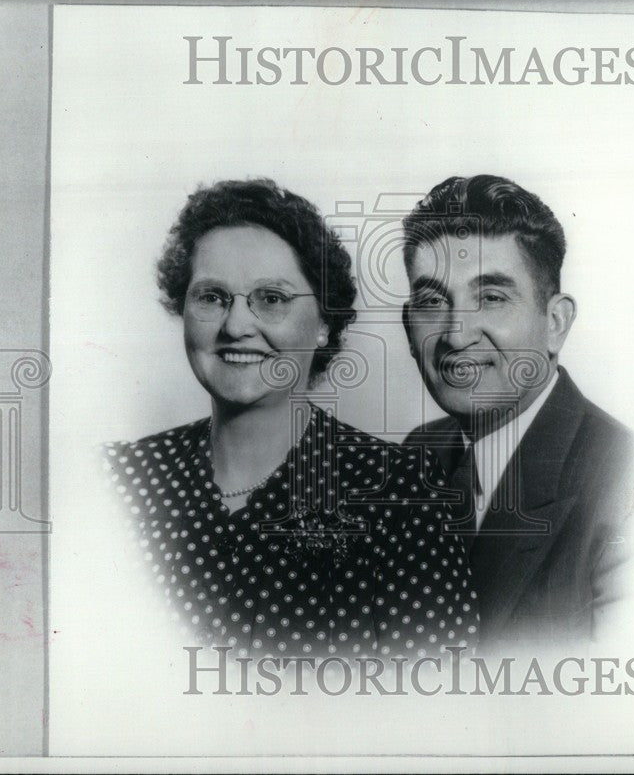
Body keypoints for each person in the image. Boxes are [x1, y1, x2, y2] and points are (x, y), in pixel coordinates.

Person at [101, 178, 477, 658]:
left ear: (323, 323)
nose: (236, 326)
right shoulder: (116, 481)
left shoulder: (404, 498)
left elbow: (435, 711)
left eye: (272, 299)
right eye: (212, 297)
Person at [401, 174, 634, 652]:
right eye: (432, 302)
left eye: (491, 297)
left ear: (554, 323)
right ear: (408, 328)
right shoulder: (414, 456)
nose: (455, 335)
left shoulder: (629, 480)